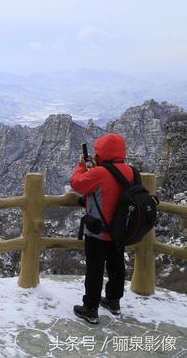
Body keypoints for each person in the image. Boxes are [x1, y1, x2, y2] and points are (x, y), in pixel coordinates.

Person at [70, 133, 134, 324]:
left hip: (98, 231)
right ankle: (114, 301)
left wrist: (82, 165)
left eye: (98, 152)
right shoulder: (132, 172)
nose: (96, 155)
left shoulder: (99, 173)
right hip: (120, 231)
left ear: (104, 152)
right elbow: (113, 188)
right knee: (117, 267)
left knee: (95, 270)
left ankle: (90, 308)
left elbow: (77, 184)